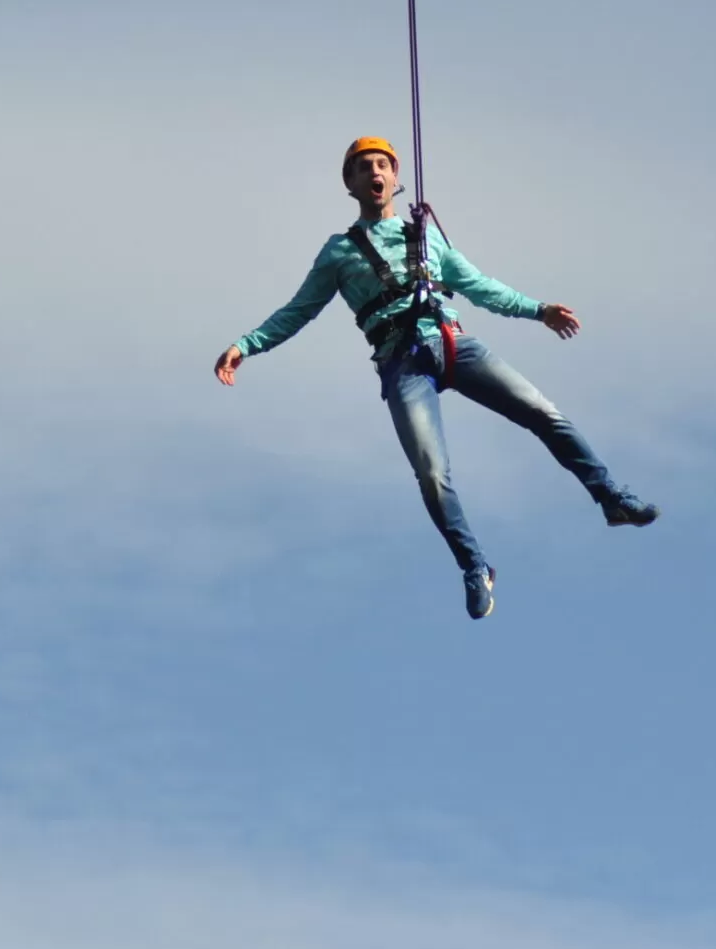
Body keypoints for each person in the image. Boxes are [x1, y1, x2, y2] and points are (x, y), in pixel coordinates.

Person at [213, 136, 659, 619]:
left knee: (543, 412)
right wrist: (246, 345)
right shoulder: (339, 253)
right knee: (431, 473)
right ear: (351, 184)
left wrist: (539, 310)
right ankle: (475, 566)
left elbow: (479, 286)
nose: (375, 173)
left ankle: (610, 497)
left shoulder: (426, 236)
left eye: (383, 165)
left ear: (396, 177)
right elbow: (298, 311)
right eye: (364, 168)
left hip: (452, 345)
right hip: (401, 363)